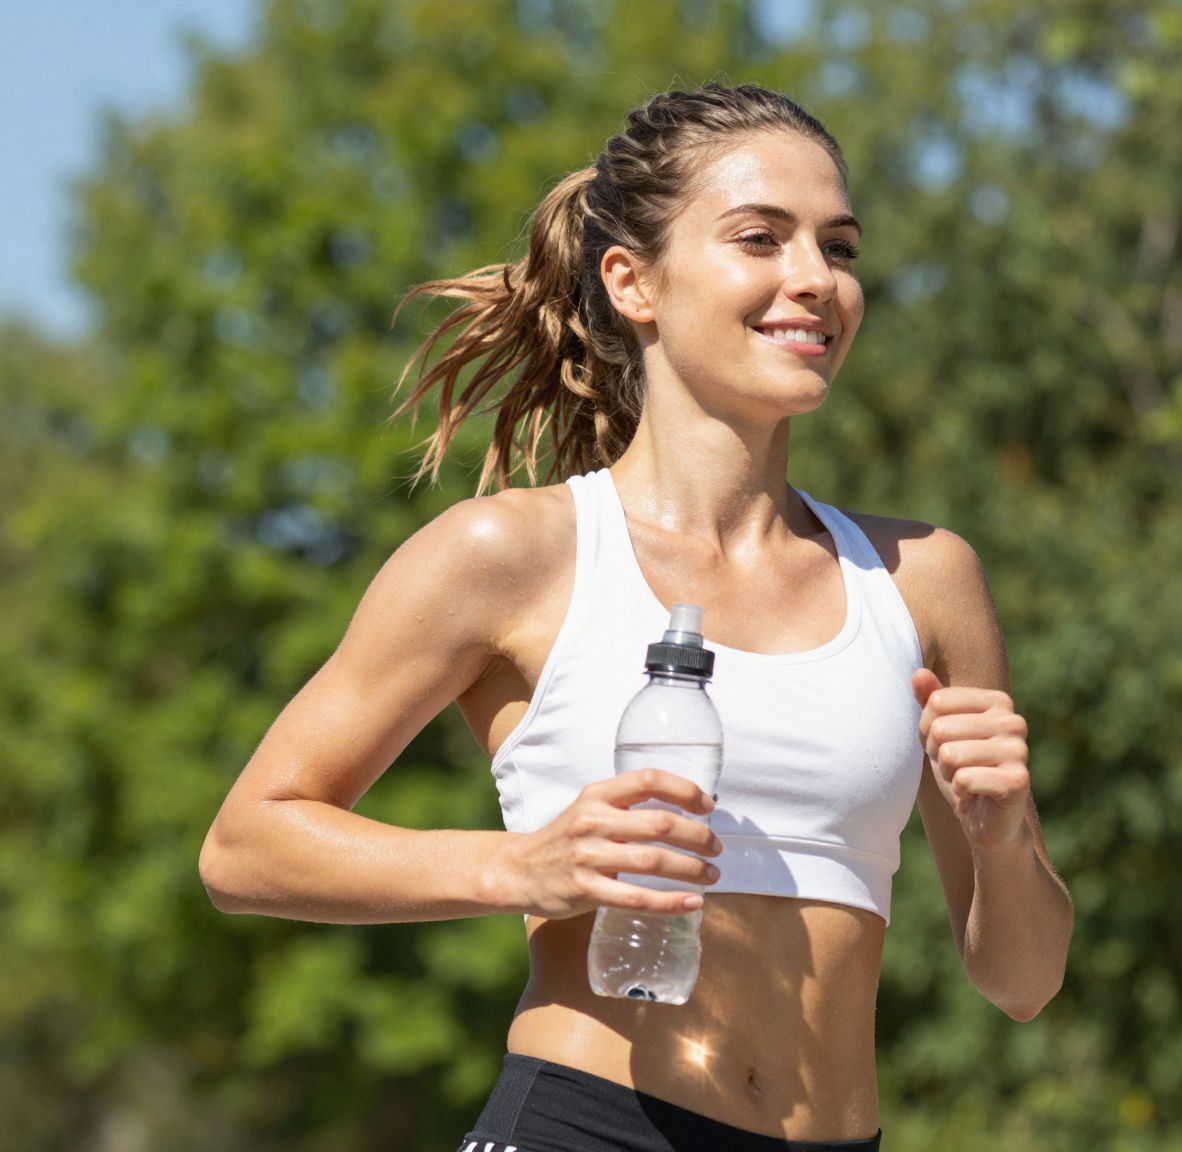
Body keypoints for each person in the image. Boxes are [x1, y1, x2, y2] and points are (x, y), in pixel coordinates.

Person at [198, 82, 1073, 1151]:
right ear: (632, 281)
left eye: (837, 249)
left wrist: (1005, 834)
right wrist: (522, 868)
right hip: (586, 1125)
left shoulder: (923, 579)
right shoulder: (511, 555)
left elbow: (1021, 981)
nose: (814, 280)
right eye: (760, 238)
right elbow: (246, 847)